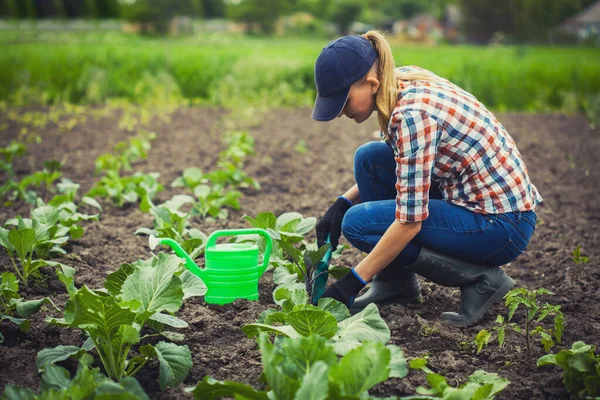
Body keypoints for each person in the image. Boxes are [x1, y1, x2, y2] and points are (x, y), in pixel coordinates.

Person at [312, 31, 542, 326]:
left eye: (342, 102)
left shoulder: (411, 116)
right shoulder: (400, 80)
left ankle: (482, 279)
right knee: (369, 159)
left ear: (370, 84)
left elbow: (409, 221)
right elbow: (409, 165)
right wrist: (341, 202)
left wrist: (350, 283)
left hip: (499, 225)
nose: (340, 112)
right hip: (481, 206)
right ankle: (396, 284)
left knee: (359, 224)